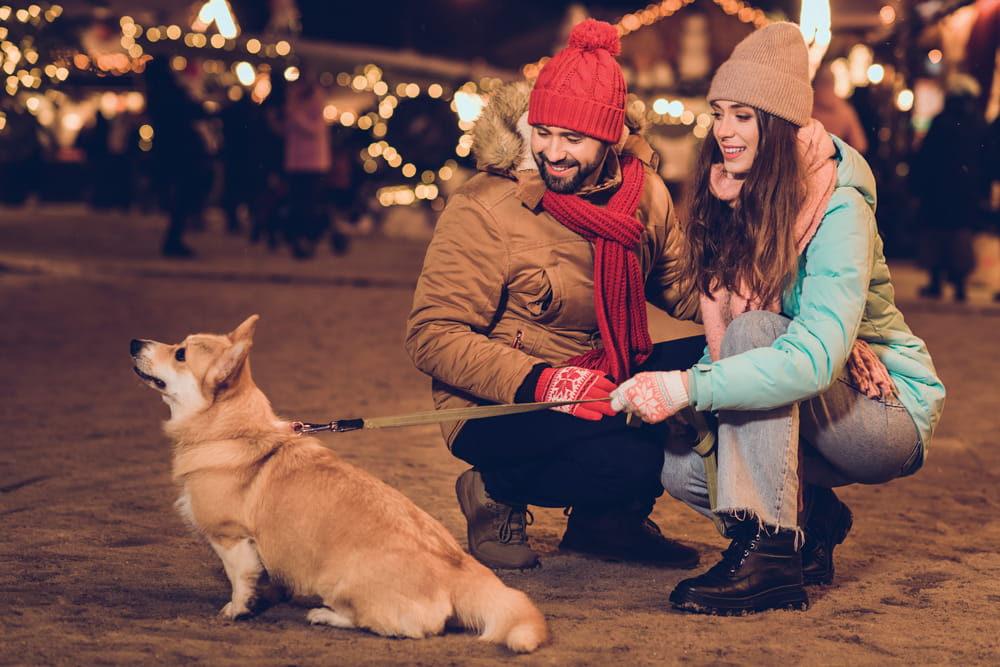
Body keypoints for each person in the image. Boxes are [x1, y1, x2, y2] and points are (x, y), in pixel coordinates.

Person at [609, 22, 946, 615]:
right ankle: (812, 519)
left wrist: (689, 384)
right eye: (719, 112)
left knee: (759, 334)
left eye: (744, 114)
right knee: (684, 469)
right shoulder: (732, 196)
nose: (724, 131)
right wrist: (684, 400)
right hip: (814, 392)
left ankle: (770, 559)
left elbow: (812, 354)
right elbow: (729, 339)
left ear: (780, 120)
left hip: (885, 411)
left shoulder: (838, 202)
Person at [405, 19, 704, 571]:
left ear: (609, 137)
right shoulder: (486, 206)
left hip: (603, 373)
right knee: (633, 456)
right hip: (503, 401)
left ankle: (605, 523)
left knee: (715, 356)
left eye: (573, 138)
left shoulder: (645, 195)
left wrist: (782, 318)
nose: (553, 153)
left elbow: (689, 293)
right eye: (543, 132)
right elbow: (431, 336)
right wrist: (548, 379)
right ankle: (494, 489)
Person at [909, 73, 988, 302]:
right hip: (965, 191)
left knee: (937, 236)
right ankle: (959, 285)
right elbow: (986, 158)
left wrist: (917, 186)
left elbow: (926, 158)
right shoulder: (978, 123)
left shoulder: (941, 121)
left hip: (938, 191)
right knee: (961, 237)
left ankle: (936, 281)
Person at [811, 62, 868, 154]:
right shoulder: (845, 110)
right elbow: (860, 145)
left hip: (808, 163)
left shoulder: (806, 107)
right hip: (835, 164)